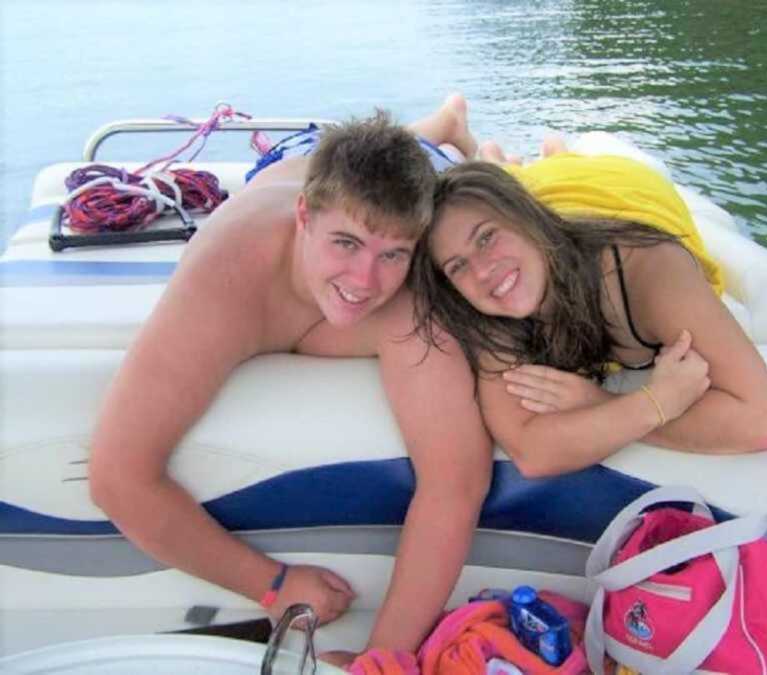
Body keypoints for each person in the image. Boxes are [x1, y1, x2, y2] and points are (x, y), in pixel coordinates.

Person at [88, 95, 491, 664]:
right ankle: (439, 124)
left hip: (409, 179)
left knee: (454, 185)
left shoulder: (406, 298)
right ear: (304, 218)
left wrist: (381, 658)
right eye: (345, 245)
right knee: (357, 174)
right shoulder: (226, 278)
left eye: (393, 256)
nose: (365, 280)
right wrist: (270, 584)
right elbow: (117, 476)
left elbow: (456, 481)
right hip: (291, 164)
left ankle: (445, 134)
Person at [411, 142, 767, 478]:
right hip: (551, 194)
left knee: (517, 176)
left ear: (526, 218)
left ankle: (541, 154)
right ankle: (498, 154)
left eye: (487, 237)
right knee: (498, 175)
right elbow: (532, 451)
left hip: (622, 189)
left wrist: (600, 403)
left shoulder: (649, 272)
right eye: (457, 265)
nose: (481, 269)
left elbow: (759, 422)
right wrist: (653, 405)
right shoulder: (483, 303)